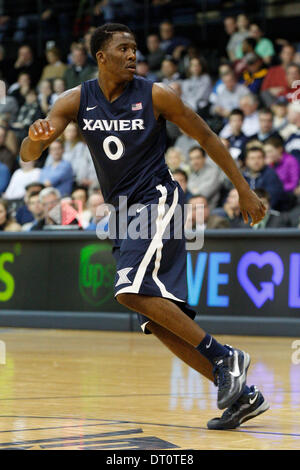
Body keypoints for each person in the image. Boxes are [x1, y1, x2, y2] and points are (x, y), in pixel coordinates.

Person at [20, 23, 268, 430]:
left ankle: (225, 356)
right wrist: (35, 139)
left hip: (158, 200)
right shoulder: (76, 99)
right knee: (156, 317)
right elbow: (31, 154)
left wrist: (243, 188)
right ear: (101, 57)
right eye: (123, 48)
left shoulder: (156, 94)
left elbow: (206, 136)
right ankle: (242, 396)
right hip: (121, 213)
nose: (133, 54)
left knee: (129, 289)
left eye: (135, 48)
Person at [243, 146, 285, 210]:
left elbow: (272, 200)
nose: (256, 161)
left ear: (264, 159)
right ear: (246, 161)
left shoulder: (271, 175)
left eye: (259, 158)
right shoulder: (242, 176)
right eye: (252, 158)